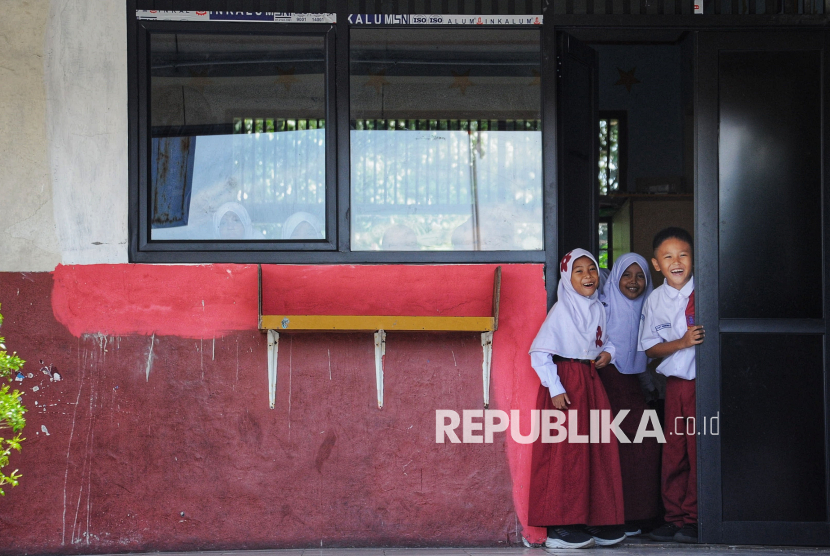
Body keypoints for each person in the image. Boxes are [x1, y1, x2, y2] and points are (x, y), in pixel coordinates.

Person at [528, 248, 626, 549]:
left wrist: (609, 353)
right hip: (567, 383)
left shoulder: (597, 307)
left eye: (592, 269)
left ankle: (592, 518)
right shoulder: (562, 311)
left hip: (591, 382)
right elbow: (539, 352)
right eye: (579, 270)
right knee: (566, 453)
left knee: (595, 448)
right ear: (567, 277)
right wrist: (555, 388)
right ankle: (561, 524)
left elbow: (602, 339)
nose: (588, 276)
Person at [638, 227, 704, 544]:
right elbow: (650, 348)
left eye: (683, 255)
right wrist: (681, 342)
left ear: (693, 259)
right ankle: (674, 517)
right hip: (676, 385)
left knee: (698, 449)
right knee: (674, 451)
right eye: (668, 257)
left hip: (705, 384)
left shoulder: (706, 290)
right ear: (656, 264)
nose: (676, 262)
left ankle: (694, 519)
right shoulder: (655, 300)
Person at [598, 253, 661, 535]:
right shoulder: (603, 306)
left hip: (633, 385)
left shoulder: (650, 308)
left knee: (644, 447)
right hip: (608, 382)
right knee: (624, 447)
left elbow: (642, 355)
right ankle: (618, 516)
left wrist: (649, 388)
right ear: (615, 278)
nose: (633, 282)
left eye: (640, 276)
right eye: (627, 274)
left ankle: (637, 514)